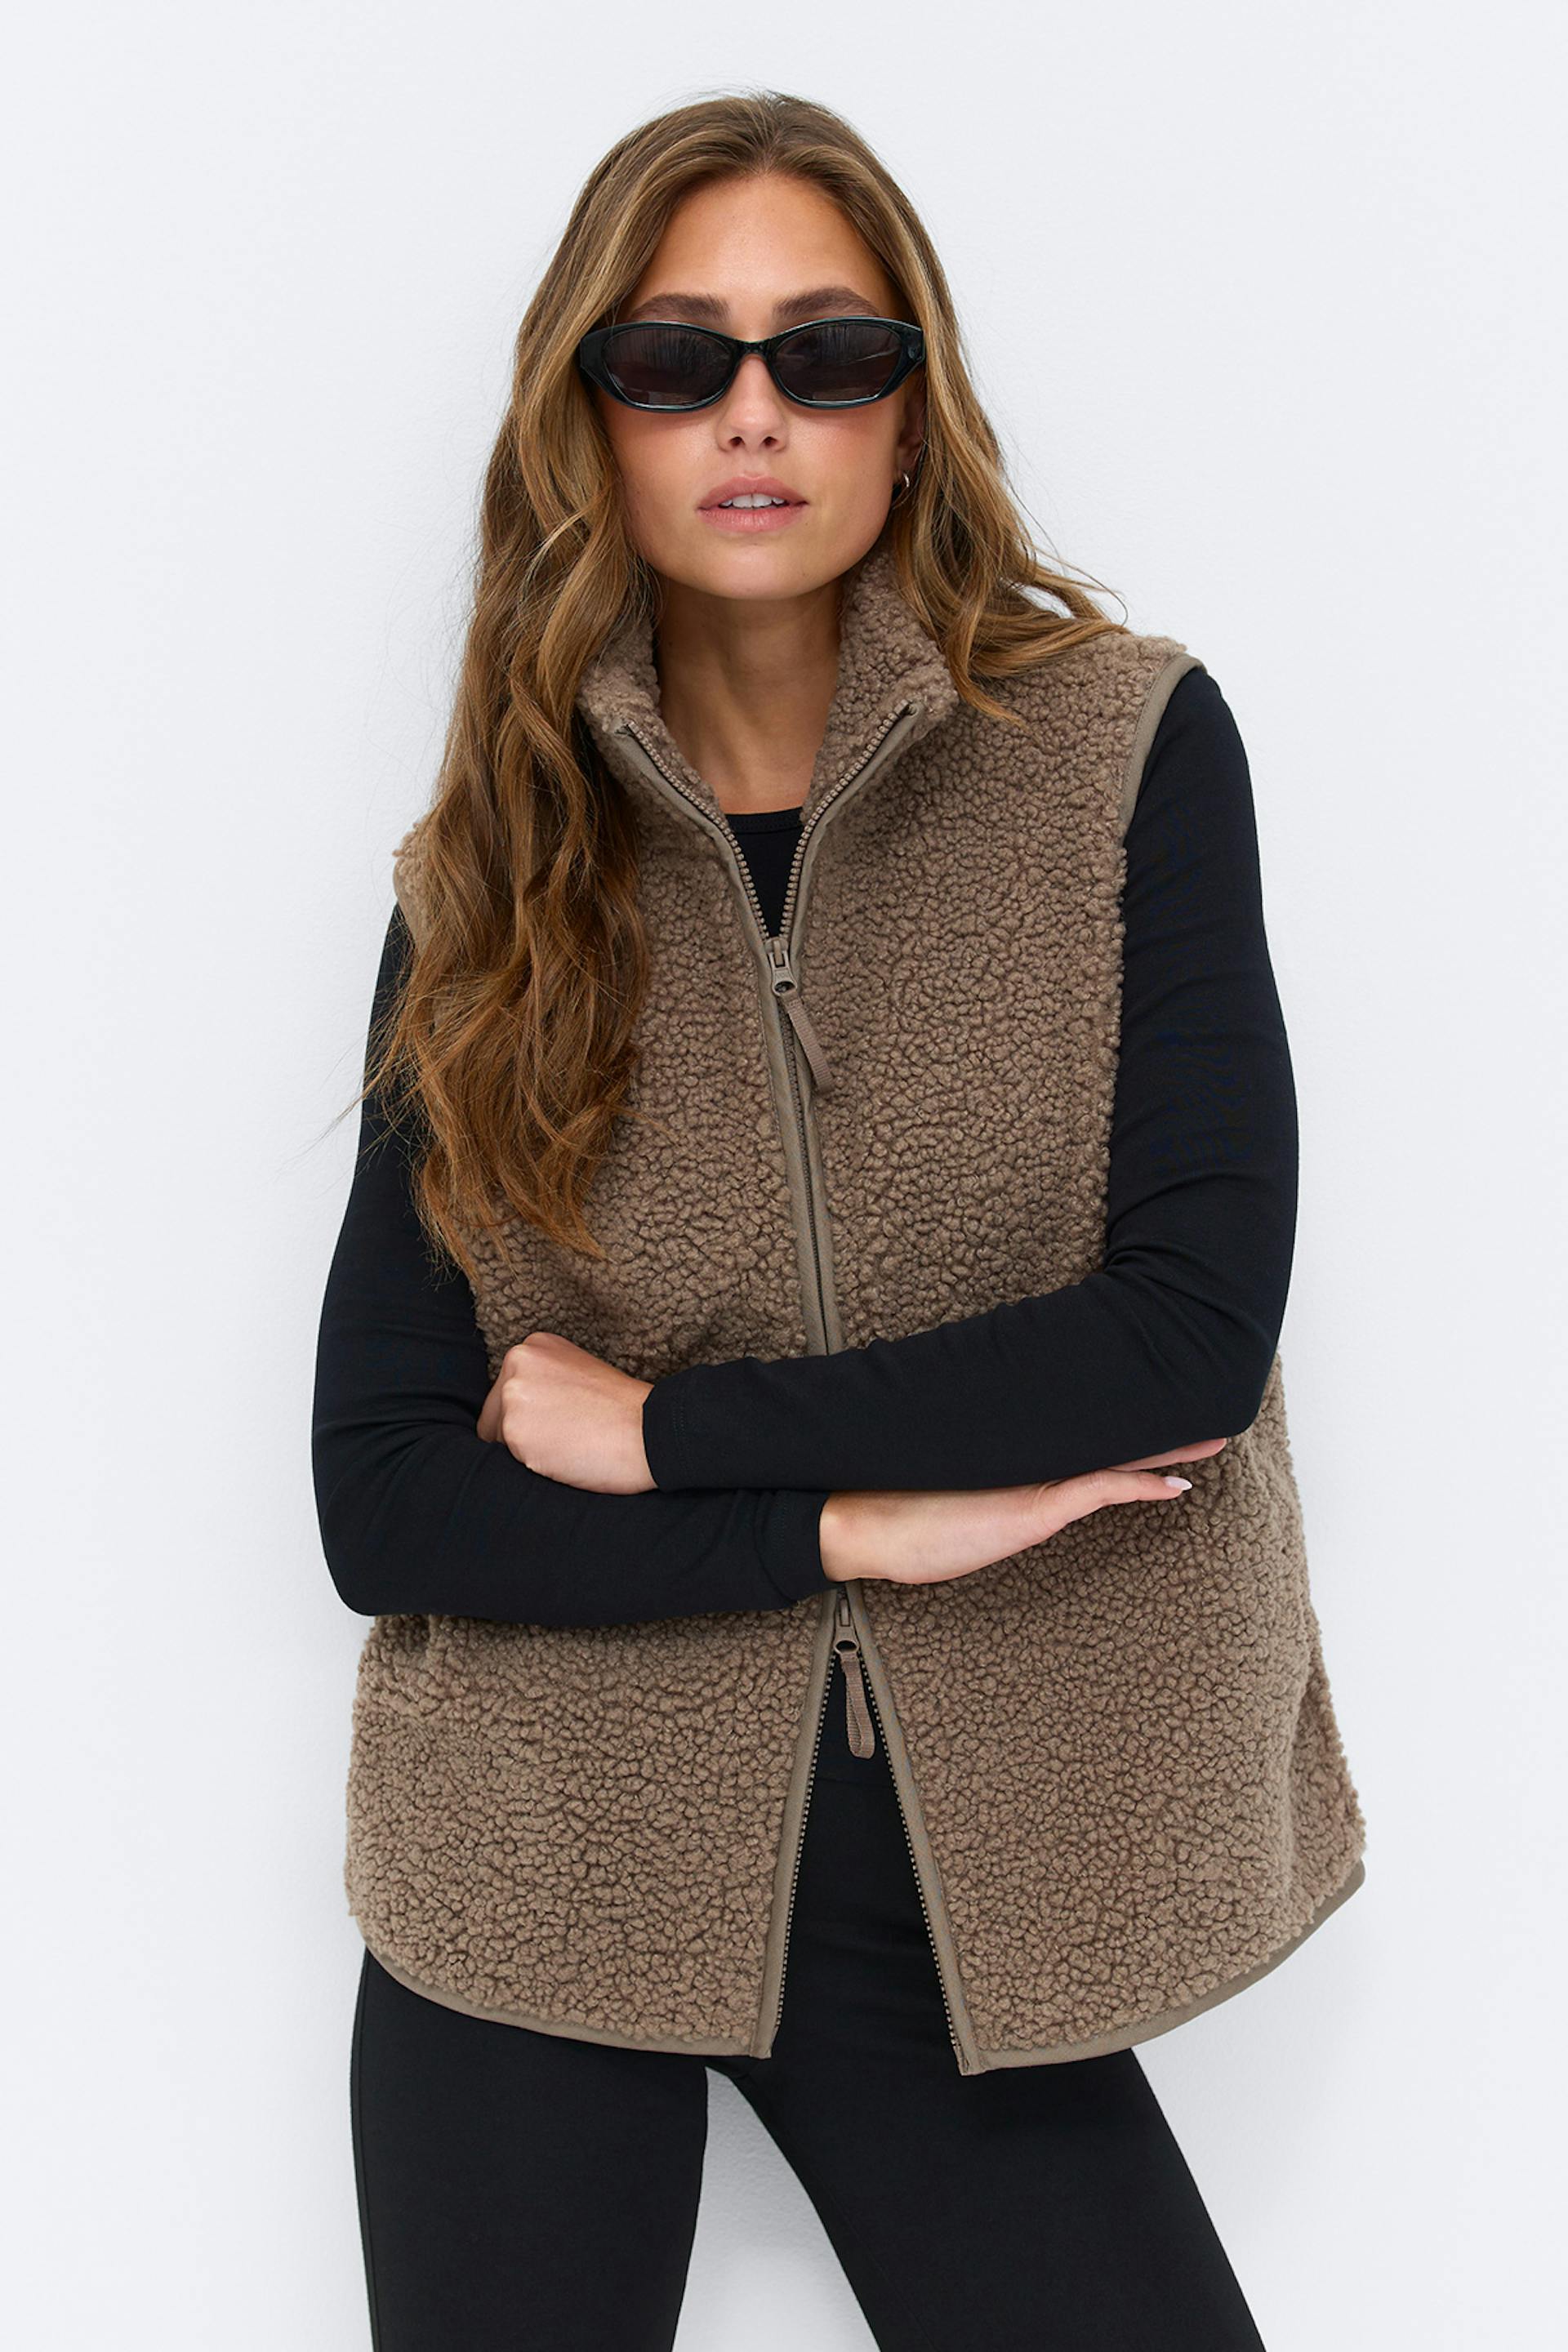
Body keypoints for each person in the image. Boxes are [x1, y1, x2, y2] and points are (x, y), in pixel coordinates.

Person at [313, 90, 1365, 2352]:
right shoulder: (487, 877)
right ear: (589, 415)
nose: (754, 411)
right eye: (673, 358)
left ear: (913, 401)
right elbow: (385, 1500)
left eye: (828, 350)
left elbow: (1184, 1333)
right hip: (545, 1854)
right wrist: (856, 1522)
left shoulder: (1120, 756)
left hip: (971, 1880)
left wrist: (660, 1435)